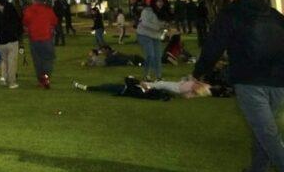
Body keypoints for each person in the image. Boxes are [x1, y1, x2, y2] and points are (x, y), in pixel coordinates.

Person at [187, 0, 284, 172]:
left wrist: (198, 73)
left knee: (267, 133)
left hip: (250, 81)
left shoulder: (231, 13)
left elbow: (214, 46)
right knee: (263, 129)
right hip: (278, 81)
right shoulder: (274, 14)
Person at [73, 75, 229, 100]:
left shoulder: (201, 87)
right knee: (160, 83)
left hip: (125, 89)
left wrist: (138, 82)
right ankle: (84, 87)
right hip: (177, 87)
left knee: (103, 87)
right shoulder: (204, 88)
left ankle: (84, 87)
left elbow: (189, 92)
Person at [22, 0, 58, 88]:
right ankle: (46, 78)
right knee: (48, 60)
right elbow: (54, 21)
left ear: (34, 0)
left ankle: (41, 80)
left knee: (37, 61)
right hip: (47, 38)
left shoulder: (29, 10)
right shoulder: (48, 10)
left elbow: (25, 22)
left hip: (34, 38)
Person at [136, 0, 169, 81]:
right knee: (150, 55)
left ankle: (158, 77)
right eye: (158, 1)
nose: (160, 3)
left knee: (158, 56)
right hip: (144, 35)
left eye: (161, 1)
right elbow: (145, 23)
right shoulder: (147, 11)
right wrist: (158, 27)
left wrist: (164, 26)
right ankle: (146, 75)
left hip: (155, 36)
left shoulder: (162, 12)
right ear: (154, 2)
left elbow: (162, 24)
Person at [0, 0, 22, 88]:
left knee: (4, 61)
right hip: (11, 39)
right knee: (12, 62)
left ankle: (3, 78)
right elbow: (17, 23)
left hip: (1, 40)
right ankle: (12, 82)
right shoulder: (11, 9)